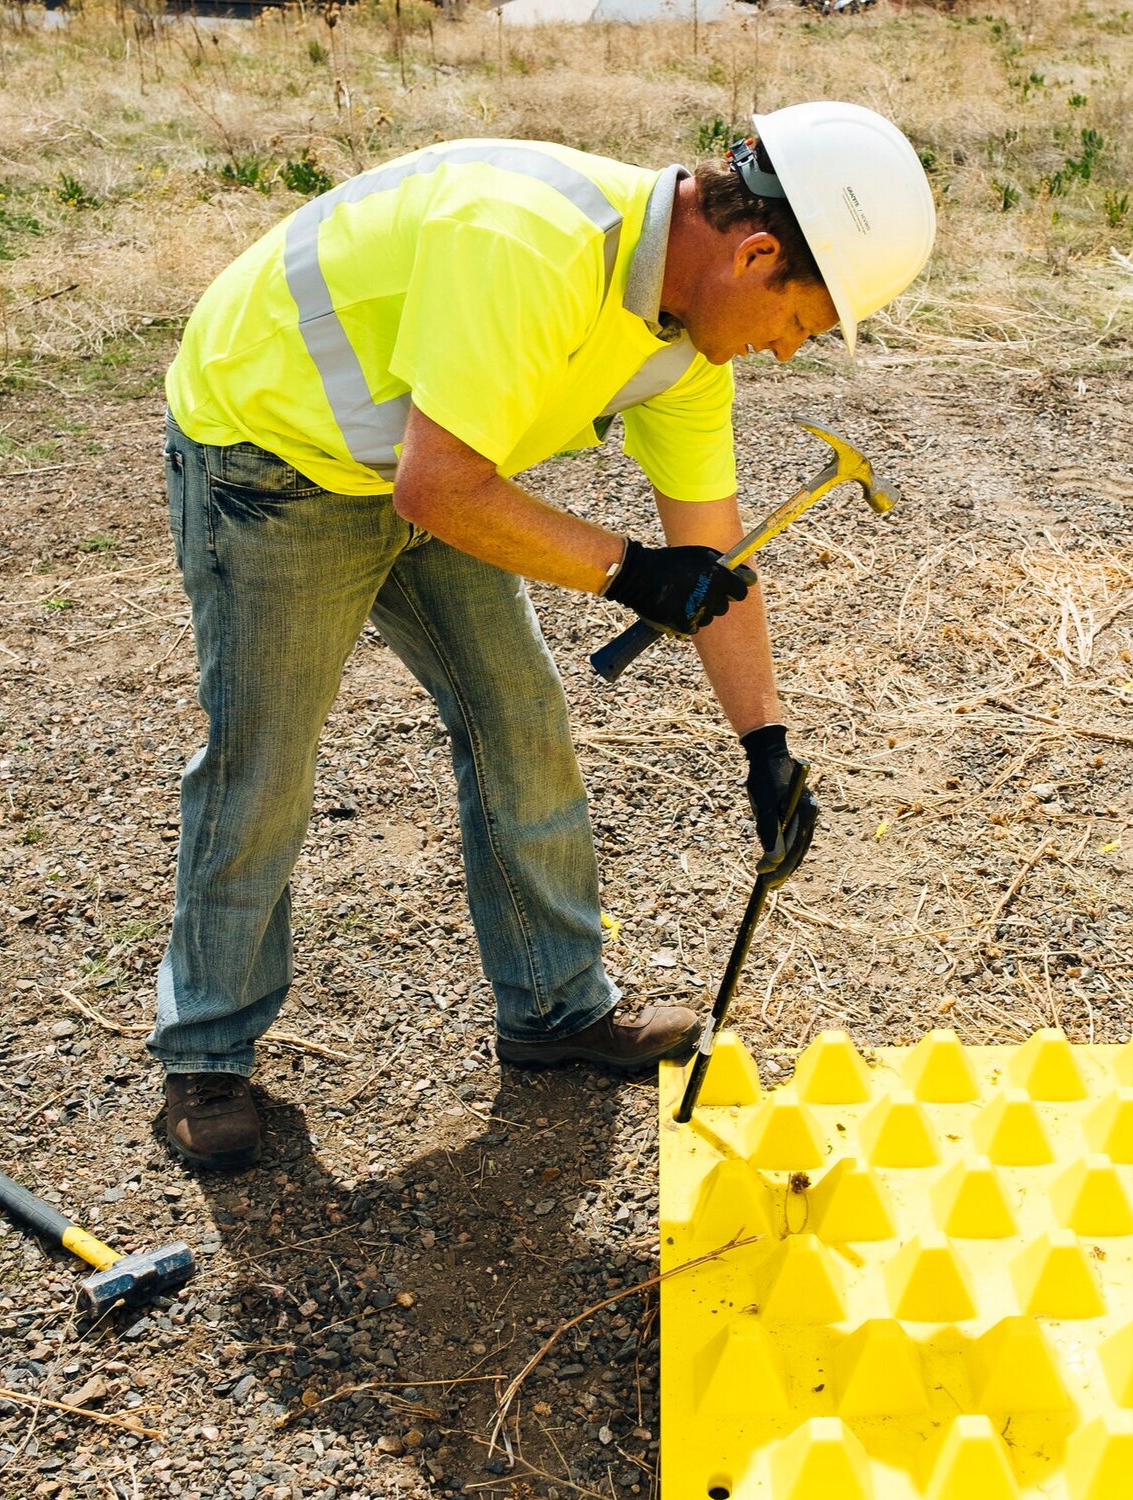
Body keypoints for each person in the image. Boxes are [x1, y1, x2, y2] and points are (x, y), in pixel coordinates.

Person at [149, 100, 936, 1170]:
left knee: (518, 715)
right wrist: (623, 572)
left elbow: (711, 560)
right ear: (755, 253)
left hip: (431, 462)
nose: (788, 354)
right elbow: (443, 489)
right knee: (267, 757)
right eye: (799, 323)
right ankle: (205, 1055)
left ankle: (555, 1009)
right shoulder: (532, 242)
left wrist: (765, 743)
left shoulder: (684, 351)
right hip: (275, 448)